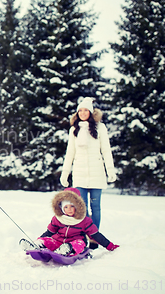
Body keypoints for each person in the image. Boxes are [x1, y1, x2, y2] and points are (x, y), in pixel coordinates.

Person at [59, 97, 116, 239]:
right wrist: (65, 173)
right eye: (80, 111)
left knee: (95, 207)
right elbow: (70, 153)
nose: (83, 113)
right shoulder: (74, 130)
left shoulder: (100, 128)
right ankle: (84, 236)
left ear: (91, 112)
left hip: (97, 173)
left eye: (86, 110)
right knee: (82, 208)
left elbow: (106, 150)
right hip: (79, 174)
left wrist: (110, 170)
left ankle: (95, 237)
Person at [20, 188, 119, 256]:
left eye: (72, 206)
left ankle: (67, 249)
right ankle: (36, 245)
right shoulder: (58, 218)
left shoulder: (84, 220)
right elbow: (50, 232)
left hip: (76, 242)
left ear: (78, 207)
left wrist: (110, 246)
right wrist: (40, 239)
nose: (69, 209)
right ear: (62, 208)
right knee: (48, 240)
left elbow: (96, 235)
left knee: (79, 243)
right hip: (58, 241)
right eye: (66, 207)